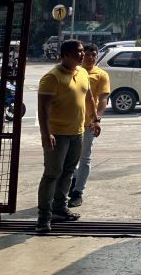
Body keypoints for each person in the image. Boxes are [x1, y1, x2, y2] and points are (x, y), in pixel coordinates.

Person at [36, 40, 101, 234]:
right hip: (57, 135)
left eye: (82, 51)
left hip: (77, 133)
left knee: (68, 172)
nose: (82, 55)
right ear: (65, 55)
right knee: (51, 175)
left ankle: (59, 209)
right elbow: (43, 109)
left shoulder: (82, 73)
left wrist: (95, 119)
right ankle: (43, 218)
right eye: (77, 52)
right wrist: (46, 134)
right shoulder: (51, 77)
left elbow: (89, 97)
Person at [68, 43, 110, 207]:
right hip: (71, 122)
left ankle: (78, 191)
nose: (91, 58)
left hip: (88, 123)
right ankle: (71, 183)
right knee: (70, 158)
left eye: (94, 55)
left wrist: (97, 119)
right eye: (87, 54)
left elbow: (103, 99)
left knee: (85, 157)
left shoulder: (101, 75)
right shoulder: (74, 72)